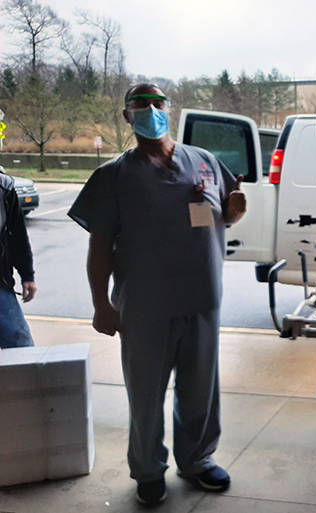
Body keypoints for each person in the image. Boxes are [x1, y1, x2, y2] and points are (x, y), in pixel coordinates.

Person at [68, 83, 246, 508]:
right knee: (146, 394)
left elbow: (227, 215)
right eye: (140, 105)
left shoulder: (203, 161)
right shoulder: (114, 176)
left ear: (170, 109)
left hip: (202, 299)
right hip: (145, 306)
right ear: (128, 117)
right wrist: (100, 304)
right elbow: (99, 246)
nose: (151, 110)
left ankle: (197, 460)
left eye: (157, 103)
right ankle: (148, 469)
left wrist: (237, 208)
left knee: (200, 389)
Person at [0, 165, 36, 348]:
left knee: (20, 345)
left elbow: (18, 235)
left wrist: (27, 275)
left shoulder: (4, 188)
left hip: (1, 285)